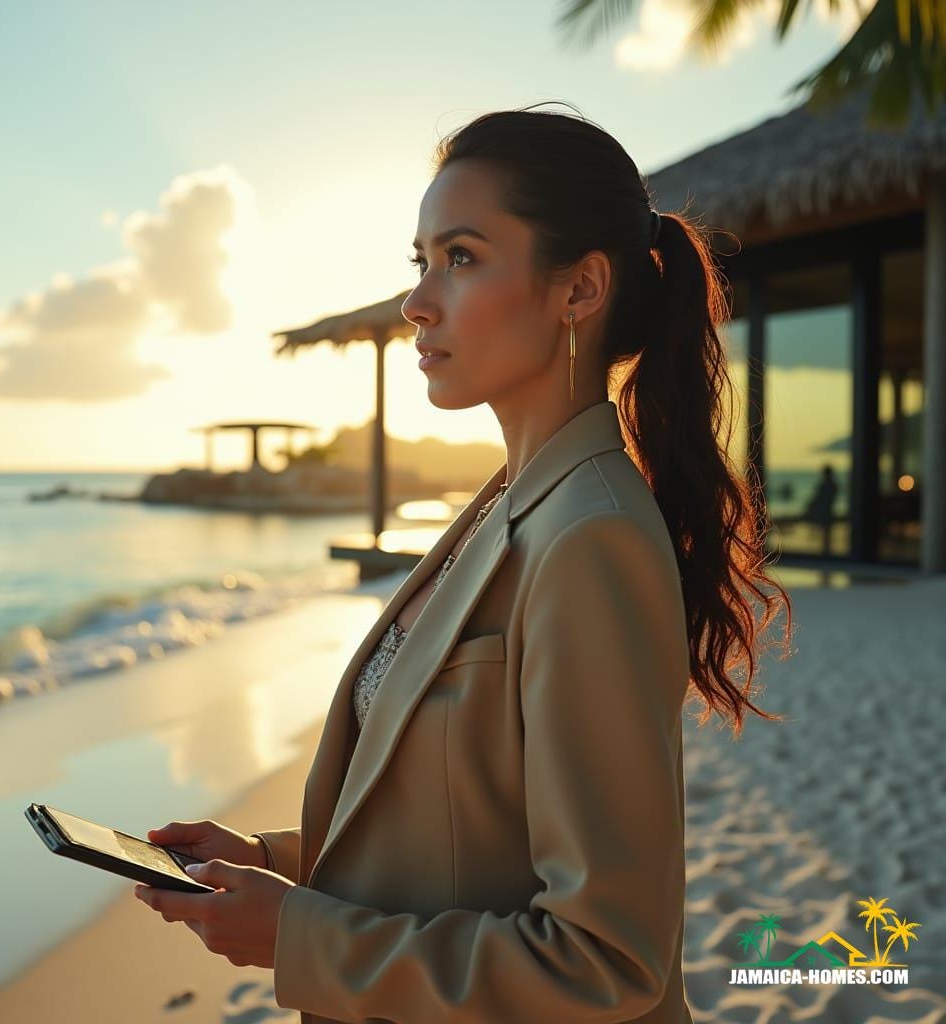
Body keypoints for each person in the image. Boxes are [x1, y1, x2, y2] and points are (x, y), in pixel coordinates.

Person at [133, 101, 795, 1023]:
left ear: (578, 290)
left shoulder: (589, 539)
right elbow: (465, 833)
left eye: (463, 257)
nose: (416, 301)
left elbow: (606, 959)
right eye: (422, 261)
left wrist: (300, 938)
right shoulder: (507, 503)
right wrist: (272, 863)